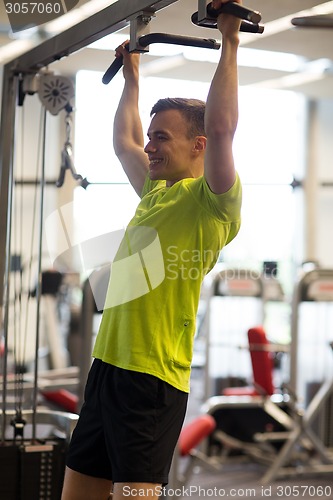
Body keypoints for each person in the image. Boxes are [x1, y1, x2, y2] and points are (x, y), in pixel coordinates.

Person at [61, 0, 242, 498]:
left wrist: (229, 40)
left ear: (198, 146)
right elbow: (124, 142)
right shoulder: (155, 192)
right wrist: (133, 80)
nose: (150, 147)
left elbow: (224, 126)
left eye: (162, 138)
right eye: (153, 138)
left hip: (152, 382)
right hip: (107, 369)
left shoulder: (212, 203)